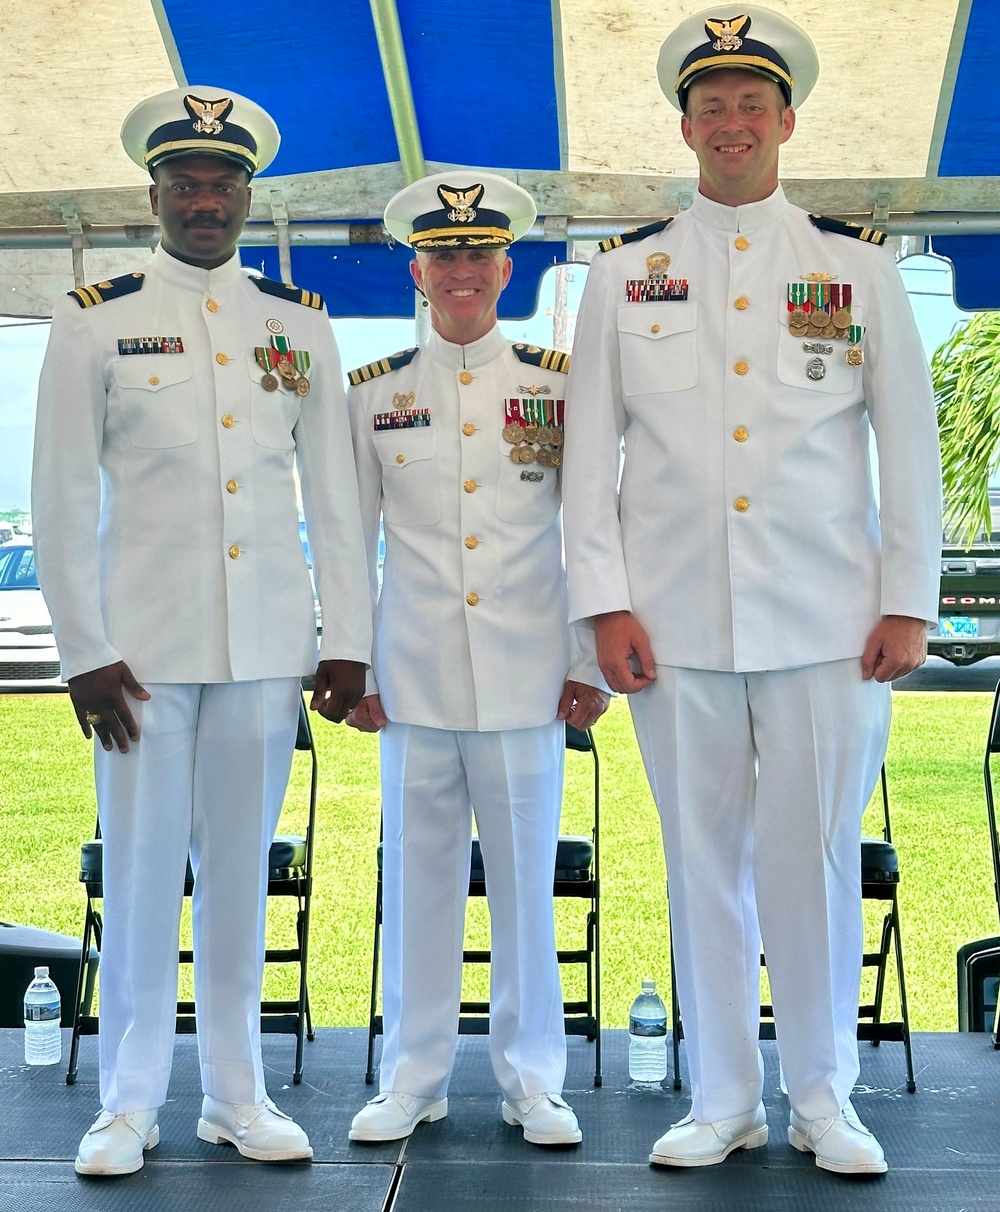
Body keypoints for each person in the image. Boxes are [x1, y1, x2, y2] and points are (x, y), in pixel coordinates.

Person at [562, 6, 941, 1177]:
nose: (730, 122)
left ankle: (824, 1096)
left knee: (814, 855)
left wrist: (907, 596)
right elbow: (588, 460)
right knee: (701, 857)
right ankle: (722, 1095)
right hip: (670, 623)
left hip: (829, 619)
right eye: (710, 105)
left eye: (749, 104)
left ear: (785, 119)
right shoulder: (625, 276)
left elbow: (905, 445)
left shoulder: (855, 270)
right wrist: (602, 608)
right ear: (685, 126)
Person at [31, 86, 371, 1176]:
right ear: (155, 193)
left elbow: (334, 496)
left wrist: (344, 635)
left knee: (239, 873)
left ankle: (237, 1092)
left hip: (265, 649)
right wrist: (82, 647)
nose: (205, 197)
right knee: (137, 875)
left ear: (246, 195)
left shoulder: (297, 322)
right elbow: (60, 498)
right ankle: (126, 1104)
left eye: (223, 182)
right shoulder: (96, 317)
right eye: (185, 180)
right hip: (139, 655)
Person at [345, 172, 609, 1148]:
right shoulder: (372, 396)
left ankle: (532, 1079)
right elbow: (347, 538)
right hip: (411, 680)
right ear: (418, 271)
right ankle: (411, 1077)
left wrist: (585, 656)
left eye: (477, 255)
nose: (460, 271)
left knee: (523, 892)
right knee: (416, 888)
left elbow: (591, 531)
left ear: (508, 268)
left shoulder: (553, 386)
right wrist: (357, 668)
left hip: (527, 676)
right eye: (442, 256)